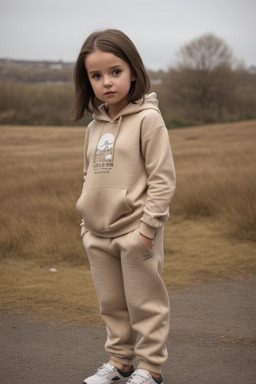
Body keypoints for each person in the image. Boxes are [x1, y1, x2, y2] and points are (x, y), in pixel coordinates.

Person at [73, 29, 176, 384]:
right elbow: (88, 176)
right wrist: (86, 228)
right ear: (87, 81)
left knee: (145, 305)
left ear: (133, 70)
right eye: (96, 75)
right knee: (112, 305)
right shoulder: (93, 127)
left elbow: (162, 179)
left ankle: (150, 367)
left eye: (115, 72)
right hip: (97, 233)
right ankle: (120, 362)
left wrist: (147, 231)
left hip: (135, 232)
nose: (107, 82)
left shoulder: (149, 119)